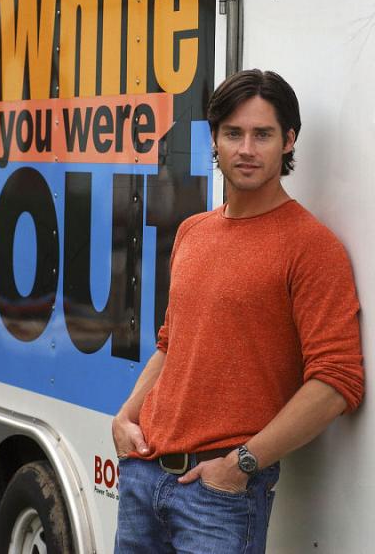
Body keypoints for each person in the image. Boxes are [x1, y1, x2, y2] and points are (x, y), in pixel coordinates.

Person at [112, 69, 364, 554]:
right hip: (144, 477)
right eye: (233, 133)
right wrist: (125, 416)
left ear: (288, 141)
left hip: (220, 496)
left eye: (262, 134)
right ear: (215, 139)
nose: (246, 149)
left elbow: (337, 380)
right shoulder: (193, 232)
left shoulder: (311, 246)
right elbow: (171, 345)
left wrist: (242, 464)